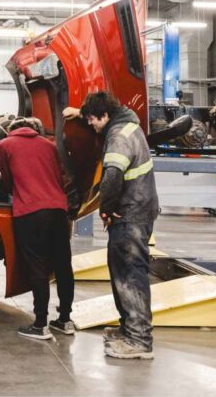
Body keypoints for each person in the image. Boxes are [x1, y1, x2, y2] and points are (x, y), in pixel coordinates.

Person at [64, 91, 158, 360]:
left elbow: (112, 177)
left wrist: (105, 209)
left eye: (93, 120)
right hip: (137, 208)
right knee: (121, 269)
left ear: (105, 116)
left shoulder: (117, 138)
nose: (91, 125)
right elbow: (97, 119)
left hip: (131, 213)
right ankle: (129, 330)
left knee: (130, 274)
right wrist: (80, 114)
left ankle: (139, 341)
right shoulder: (126, 123)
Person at [0, 117, 75, 341]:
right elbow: (59, 176)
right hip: (58, 210)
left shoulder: (5, 145)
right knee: (62, 265)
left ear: (12, 130)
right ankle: (65, 320)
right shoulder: (49, 146)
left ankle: (41, 323)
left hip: (30, 212)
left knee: (37, 266)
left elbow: (7, 180)